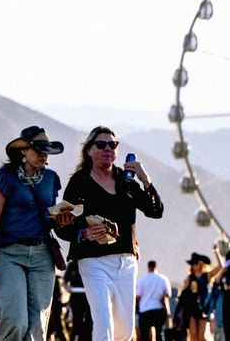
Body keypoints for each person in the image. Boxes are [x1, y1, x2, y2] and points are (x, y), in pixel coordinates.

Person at [55, 127, 164, 341]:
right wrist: (83, 233)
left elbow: (155, 211)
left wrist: (145, 180)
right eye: (101, 144)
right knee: (103, 322)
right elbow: (62, 226)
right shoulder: (80, 182)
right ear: (89, 150)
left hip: (126, 261)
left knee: (125, 330)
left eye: (113, 145)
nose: (108, 149)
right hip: (93, 261)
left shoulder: (126, 181)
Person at [0, 126, 71, 341]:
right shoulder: (4, 176)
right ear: (23, 150)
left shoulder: (51, 178)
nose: (43, 155)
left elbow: (47, 219)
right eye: (38, 150)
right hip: (9, 254)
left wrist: (62, 219)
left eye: (46, 151)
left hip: (43, 255)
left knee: (37, 327)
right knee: (15, 321)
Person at [177, 254, 214, 341]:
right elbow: (183, 293)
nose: (195, 266)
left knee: (201, 336)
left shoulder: (206, 276)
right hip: (191, 308)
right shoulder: (190, 277)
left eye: (197, 263)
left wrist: (216, 252)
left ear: (201, 264)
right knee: (193, 335)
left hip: (203, 308)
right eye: (193, 264)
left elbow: (221, 267)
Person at [136, 261, 170, 341]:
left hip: (145, 310)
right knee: (159, 334)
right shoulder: (163, 279)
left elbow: (138, 296)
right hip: (158, 309)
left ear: (148, 267)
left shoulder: (142, 280)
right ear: (156, 267)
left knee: (144, 335)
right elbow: (168, 295)